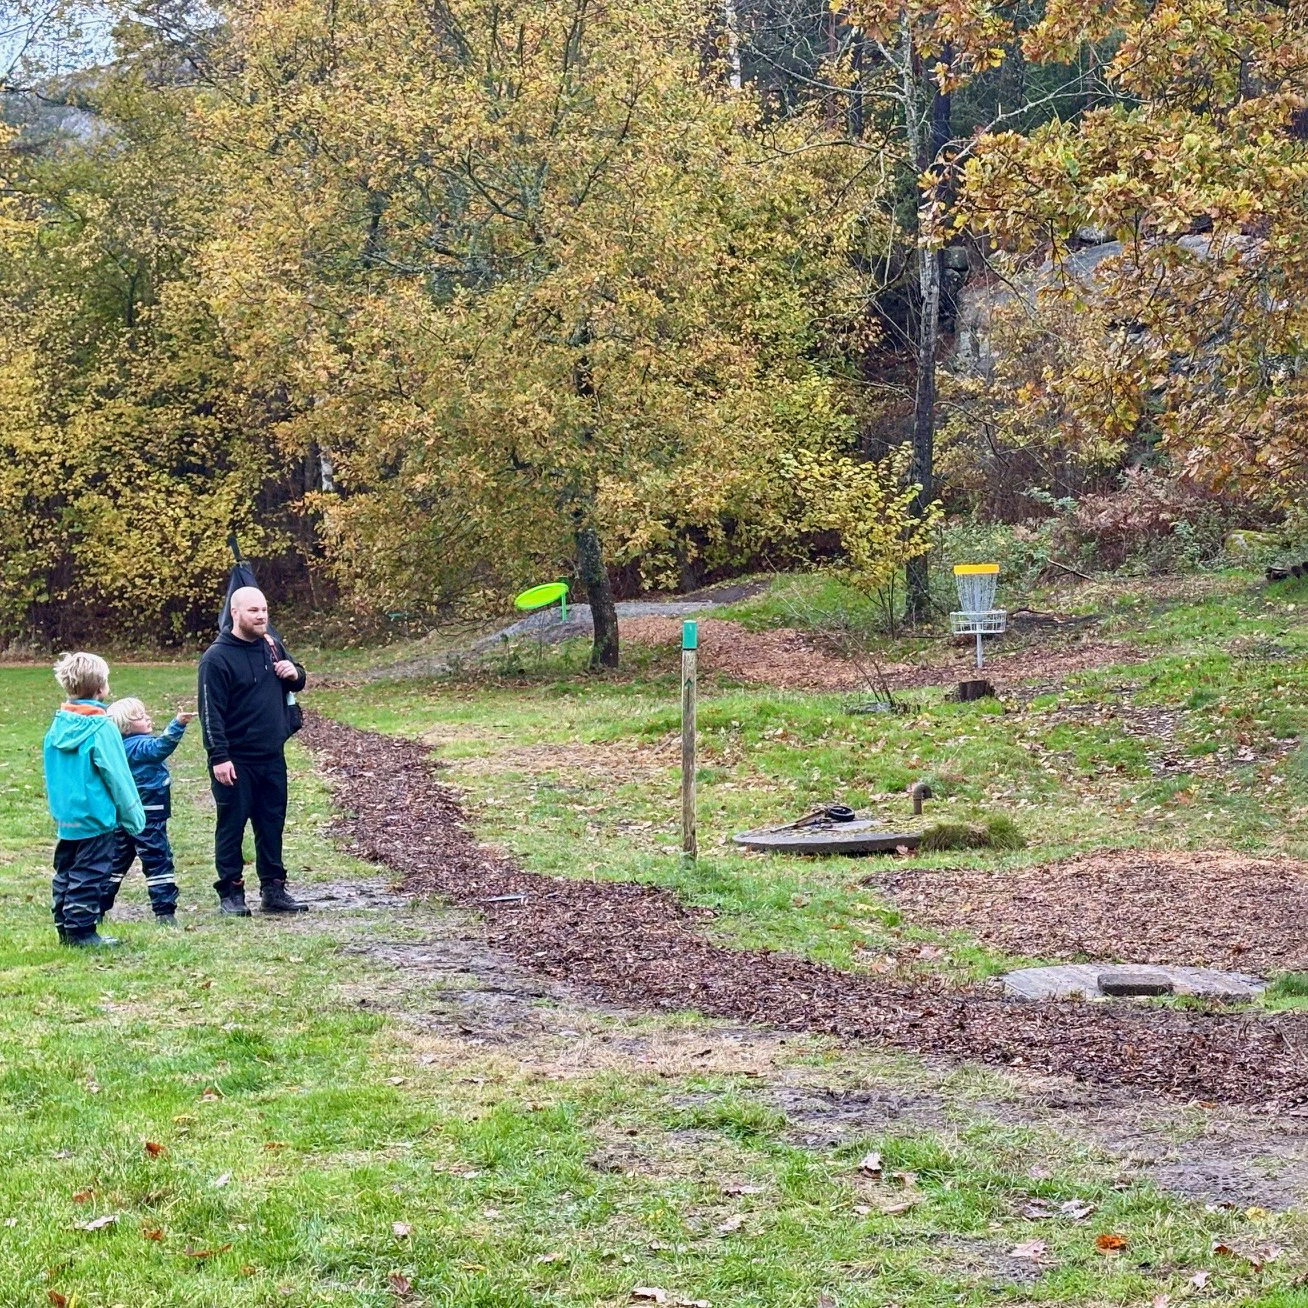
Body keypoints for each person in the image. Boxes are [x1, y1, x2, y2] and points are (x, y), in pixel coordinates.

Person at [198, 586, 309, 916]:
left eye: (263, 610)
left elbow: (295, 679)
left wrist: (296, 673)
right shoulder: (215, 659)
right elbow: (210, 712)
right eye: (253, 611)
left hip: (272, 755)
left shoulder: (272, 646)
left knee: (272, 824)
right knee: (232, 826)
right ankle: (230, 893)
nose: (261, 616)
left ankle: (273, 890)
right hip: (235, 759)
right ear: (235, 614)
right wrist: (219, 756)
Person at [42, 652, 145, 949]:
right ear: (101, 689)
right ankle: (82, 930)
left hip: (66, 817)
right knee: (90, 873)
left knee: (66, 870)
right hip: (96, 817)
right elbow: (118, 776)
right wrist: (134, 816)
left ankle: (63, 923)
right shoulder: (102, 728)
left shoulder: (57, 725)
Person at [103, 699, 195, 926]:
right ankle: (164, 910)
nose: (148, 718)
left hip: (123, 816)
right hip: (149, 816)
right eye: (141, 716)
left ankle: (97, 905)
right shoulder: (139, 745)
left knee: (115, 862)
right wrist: (177, 725)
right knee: (158, 859)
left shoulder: (116, 749)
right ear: (126, 726)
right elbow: (160, 747)